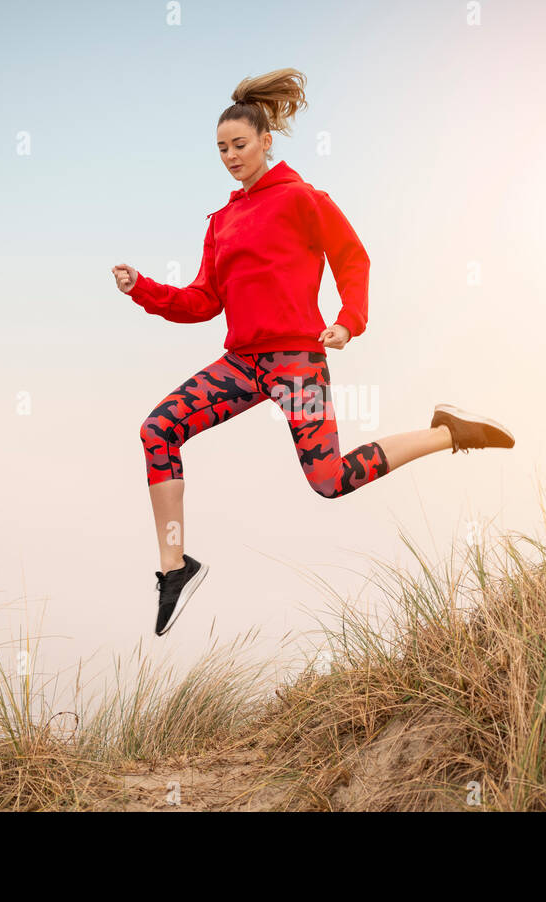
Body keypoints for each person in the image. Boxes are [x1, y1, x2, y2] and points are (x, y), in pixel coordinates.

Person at [113, 68, 514, 636]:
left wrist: (348, 322)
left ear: (266, 141)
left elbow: (353, 259)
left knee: (329, 480)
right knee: (158, 431)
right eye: (221, 149)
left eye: (240, 145)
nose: (230, 156)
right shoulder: (221, 222)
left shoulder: (304, 199)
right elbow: (204, 301)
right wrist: (144, 289)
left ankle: (451, 431)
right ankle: (175, 568)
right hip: (242, 365)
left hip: (297, 361)